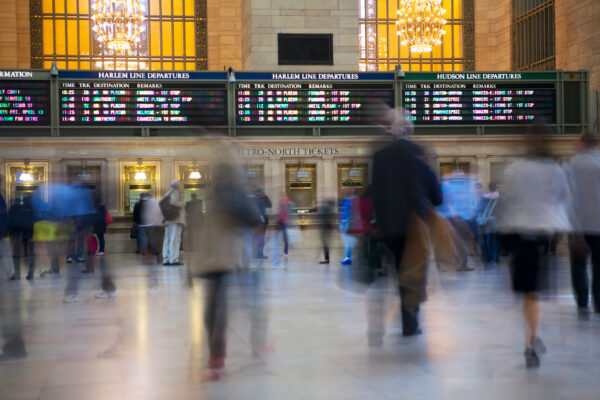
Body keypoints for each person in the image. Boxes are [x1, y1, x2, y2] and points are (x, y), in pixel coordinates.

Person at [496, 123, 571, 368]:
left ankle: (530, 341)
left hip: (520, 234)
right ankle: (531, 339)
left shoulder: (515, 169)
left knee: (529, 293)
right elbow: (563, 198)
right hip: (543, 235)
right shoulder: (555, 169)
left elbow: (510, 200)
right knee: (535, 293)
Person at [370, 108, 442, 338]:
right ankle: (410, 322)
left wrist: (379, 223)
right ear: (410, 130)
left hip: (388, 227)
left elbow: (376, 192)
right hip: (413, 226)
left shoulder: (380, 155)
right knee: (413, 271)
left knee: (398, 269)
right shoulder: (418, 152)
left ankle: (391, 319)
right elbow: (436, 195)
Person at [567, 130, 600, 313]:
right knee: (599, 264)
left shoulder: (573, 165)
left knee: (578, 264)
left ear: (582, 143)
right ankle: (599, 302)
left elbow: (567, 197)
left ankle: (581, 301)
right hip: (599, 224)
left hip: (579, 224)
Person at [8, 197, 35, 280]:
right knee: (30, 252)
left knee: (16, 253)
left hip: (16, 232)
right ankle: (30, 273)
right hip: (28, 231)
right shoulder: (30, 208)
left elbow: (10, 220)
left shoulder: (13, 209)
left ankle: (17, 274)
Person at [160, 181, 186, 266]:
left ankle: (166, 258)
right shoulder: (175, 193)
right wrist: (182, 202)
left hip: (168, 220)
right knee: (175, 239)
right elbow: (174, 203)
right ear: (178, 186)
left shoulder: (167, 194)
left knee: (167, 239)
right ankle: (174, 259)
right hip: (175, 220)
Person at [253, 186, 271, 260]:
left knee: (259, 238)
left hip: (259, 220)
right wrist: (265, 196)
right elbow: (269, 205)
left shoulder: (257, 198)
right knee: (260, 238)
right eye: (263, 191)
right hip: (259, 220)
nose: (264, 192)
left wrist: (265, 196)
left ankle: (259, 254)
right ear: (260, 192)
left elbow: (269, 205)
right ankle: (258, 255)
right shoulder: (258, 198)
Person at [339, 190, 356, 265]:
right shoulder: (347, 201)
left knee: (347, 241)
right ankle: (347, 257)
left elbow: (351, 212)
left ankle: (348, 258)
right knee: (347, 240)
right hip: (344, 221)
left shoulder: (351, 201)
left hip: (347, 222)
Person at [318, 199, 336, 264]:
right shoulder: (329, 209)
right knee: (325, 244)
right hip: (327, 227)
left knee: (325, 244)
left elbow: (324, 218)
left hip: (325, 227)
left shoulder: (326, 209)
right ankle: (326, 258)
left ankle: (326, 259)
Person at [276, 192, 291, 256]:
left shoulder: (286, 202)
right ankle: (285, 251)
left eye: (282, 196)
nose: (281, 197)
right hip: (282, 221)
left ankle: (285, 251)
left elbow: (284, 212)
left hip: (284, 221)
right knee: (283, 237)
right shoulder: (282, 202)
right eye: (281, 196)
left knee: (285, 237)